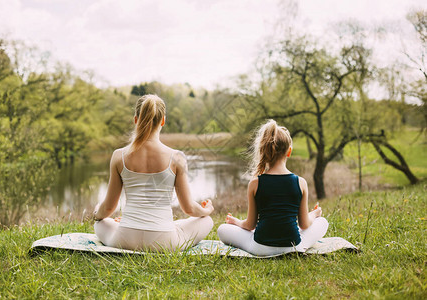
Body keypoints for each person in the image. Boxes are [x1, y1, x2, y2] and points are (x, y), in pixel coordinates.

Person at [93, 94, 214, 252]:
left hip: (124, 240)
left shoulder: (119, 156)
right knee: (207, 221)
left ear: (136, 119)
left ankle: (121, 223)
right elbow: (189, 209)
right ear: (163, 120)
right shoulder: (177, 157)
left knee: (100, 221)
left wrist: (96, 213)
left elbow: (109, 207)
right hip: (165, 243)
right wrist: (207, 210)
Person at [217, 120, 328, 256]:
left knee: (222, 229)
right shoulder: (301, 182)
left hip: (260, 248)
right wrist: (315, 214)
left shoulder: (255, 183)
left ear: (264, 151)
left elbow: (250, 225)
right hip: (293, 247)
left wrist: (235, 222)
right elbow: (304, 225)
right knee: (322, 222)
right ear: (289, 152)